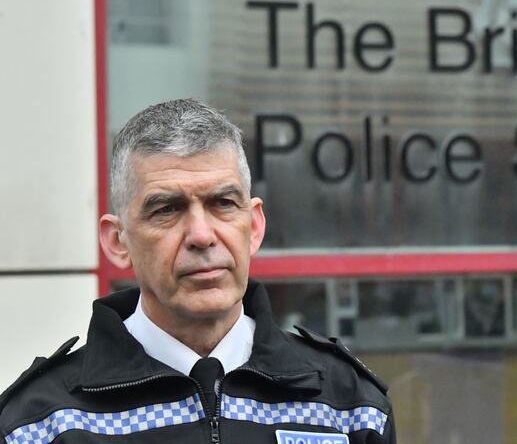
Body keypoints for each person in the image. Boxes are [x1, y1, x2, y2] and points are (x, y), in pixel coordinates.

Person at [0, 99, 396, 444]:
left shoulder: (349, 407)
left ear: (254, 226)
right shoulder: (41, 425)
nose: (202, 236)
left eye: (223, 203)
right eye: (166, 209)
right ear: (118, 242)